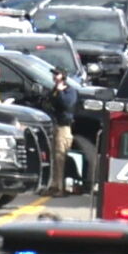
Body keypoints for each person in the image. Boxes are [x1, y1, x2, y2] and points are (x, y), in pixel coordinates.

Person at [48, 68, 78, 196]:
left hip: (63, 127)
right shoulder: (54, 90)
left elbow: (67, 104)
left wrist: (60, 92)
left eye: (57, 74)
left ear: (63, 77)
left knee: (60, 157)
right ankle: (54, 185)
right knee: (54, 157)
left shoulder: (70, 91)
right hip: (54, 126)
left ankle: (61, 188)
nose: (54, 76)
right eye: (53, 74)